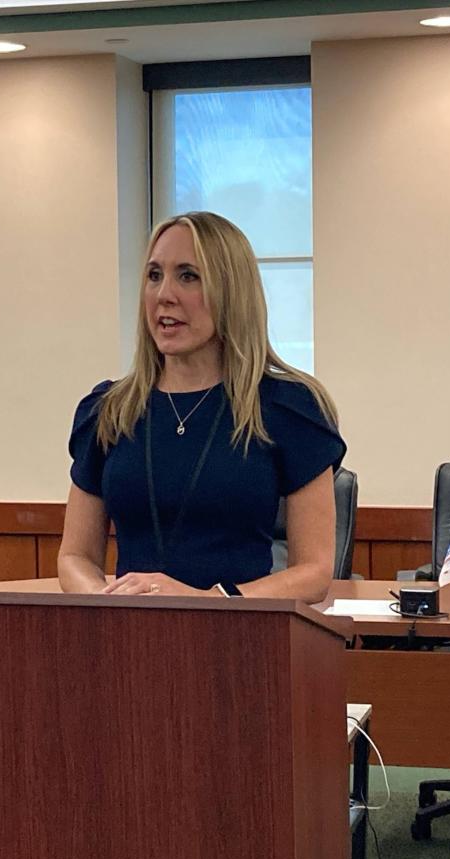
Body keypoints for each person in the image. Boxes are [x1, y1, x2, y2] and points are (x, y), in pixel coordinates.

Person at [58, 211, 346, 603]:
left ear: (230, 291)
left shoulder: (287, 408)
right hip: (126, 637)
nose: (164, 295)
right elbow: (75, 555)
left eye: (188, 276)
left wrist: (210, 601)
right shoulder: (109, 411)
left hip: (238, 634)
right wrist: (105, 600)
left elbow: (313, 572)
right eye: (154, 275)